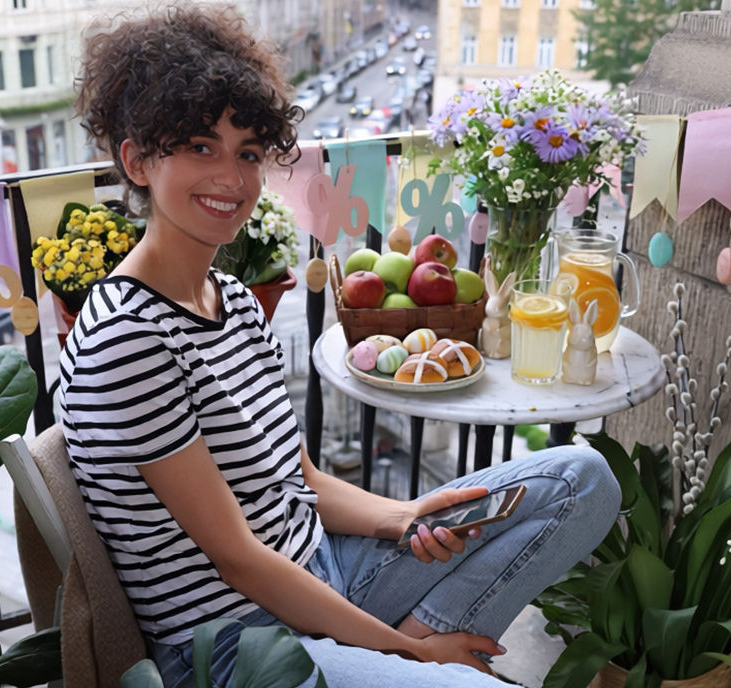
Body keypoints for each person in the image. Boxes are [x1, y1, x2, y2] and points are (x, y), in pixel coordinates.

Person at [59, 5, 620, 687]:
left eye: (248, 153)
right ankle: (416, 653)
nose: (232, 181)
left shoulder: (233, 302)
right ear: (136, 160)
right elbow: (238, 560)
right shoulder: (130, 337)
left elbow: (300, 483)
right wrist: (401, 654)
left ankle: (418, 647)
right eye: (200, 147)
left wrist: (404, 517)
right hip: (242, 645)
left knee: (581, 481)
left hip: (321, 569)